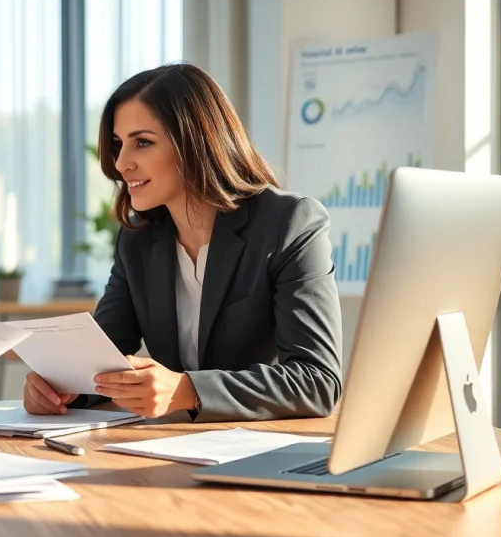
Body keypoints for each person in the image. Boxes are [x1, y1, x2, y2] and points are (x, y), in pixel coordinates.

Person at [24, 63, 342, 422]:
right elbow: (101, 361)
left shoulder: (289, 223)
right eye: (118, 144)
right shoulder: (137, 240)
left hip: (259, 449)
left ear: (194, 143)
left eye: (142, 142)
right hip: (169, 447)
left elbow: (318, 382)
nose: (121, 162)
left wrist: (186, 390)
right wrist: (60, 388)